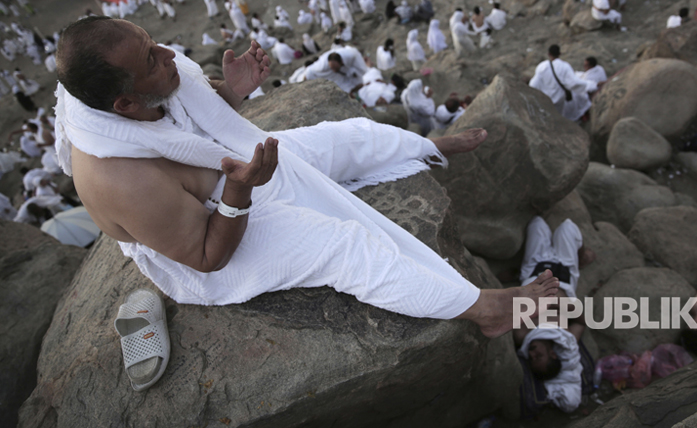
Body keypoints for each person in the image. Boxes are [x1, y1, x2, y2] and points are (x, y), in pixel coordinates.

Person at [55, 18, 560, 333]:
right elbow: (206, 257)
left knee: (346, 136)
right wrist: (239, 189)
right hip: (215, 228)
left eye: (152, 43)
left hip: (233, 168)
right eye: (152, 58)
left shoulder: (145, 82)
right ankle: (482, 309)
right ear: (123, 104)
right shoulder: (119, 178)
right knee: (345, 245)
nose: (169, 56)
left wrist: (230, 94)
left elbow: (185, 113)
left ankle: (425, 147)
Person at [513, 217, 594, 413]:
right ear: (552, 354)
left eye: (531, 358)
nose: (531, 353)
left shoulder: (523, 336)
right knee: (568, 227)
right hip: (565, 277)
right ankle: (582, 255)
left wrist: (546, 300)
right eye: (538, 355)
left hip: (535, 270)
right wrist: (561, 302)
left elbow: (519, 307)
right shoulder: (566, 337)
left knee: (537, 224)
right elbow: (582, 321)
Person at [529, 45, 591, 121]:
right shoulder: (565, 66)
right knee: (558, 118)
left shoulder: (542, 66)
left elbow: (533, 84)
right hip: (559, 100)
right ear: (559, 53)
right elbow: (574, 82)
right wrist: (588, 85)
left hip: (546, 99)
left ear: (549, 54)